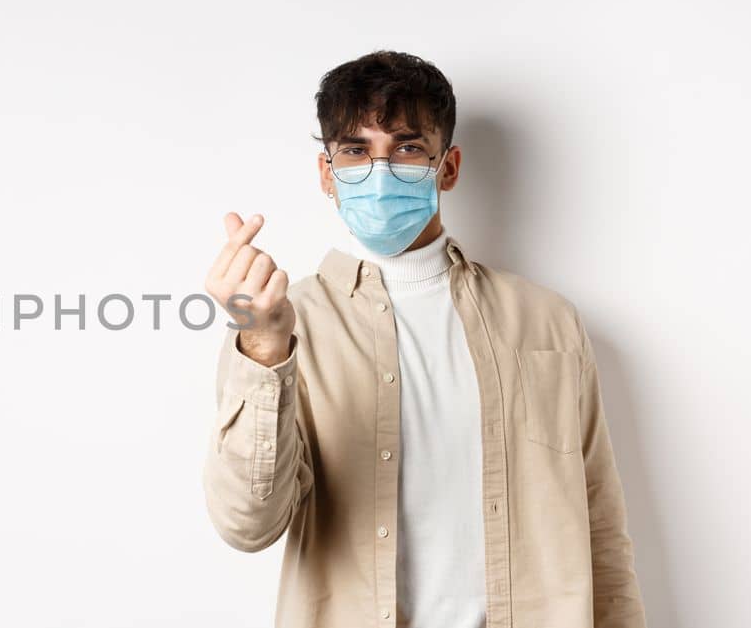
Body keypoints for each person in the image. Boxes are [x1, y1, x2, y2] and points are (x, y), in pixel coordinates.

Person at [199, 50, 647, 628]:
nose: (379, 172)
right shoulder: (285, 323)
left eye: (407, 148)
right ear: (325, 173)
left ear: (449, 166)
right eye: (356, 151)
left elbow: (601, 527)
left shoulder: (547, 321)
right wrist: (263, 349)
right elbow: (247, 525)